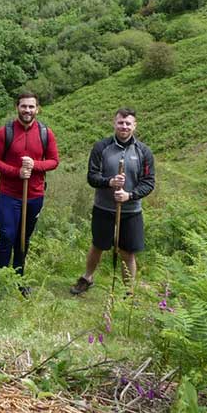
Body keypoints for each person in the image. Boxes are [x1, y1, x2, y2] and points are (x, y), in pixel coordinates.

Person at [70, 108, 155, 295]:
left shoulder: (144, 152)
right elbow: (92, 177)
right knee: (98, 245)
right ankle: (87, 278)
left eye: (128, 123)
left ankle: (129, 291)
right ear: (114, 123)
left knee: (128, 252)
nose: (124, 126)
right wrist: (109, 182)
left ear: (134, 126)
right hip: (104, 207)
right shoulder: (101, 147)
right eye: (120, 123)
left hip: (131, 210)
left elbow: (149, 183)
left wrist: (129, 195)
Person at [0, 93, 59, 291]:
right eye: (23, 106)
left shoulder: (46, 133)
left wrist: (35, 165)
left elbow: (54, 161)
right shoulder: (5, 132)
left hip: (34, 195)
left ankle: (19, 279)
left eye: (31, 107)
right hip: (9, 194)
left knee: (23, 238)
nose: (27, 110)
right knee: (7, 235)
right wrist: (16, 172)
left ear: (38, 108)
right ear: (17, 107)